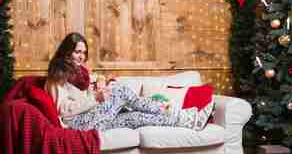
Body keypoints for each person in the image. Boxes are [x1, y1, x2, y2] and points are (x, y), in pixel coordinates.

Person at [45, 32, 214, 132]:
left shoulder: (81, 72)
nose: (81, 56)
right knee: (120, 91)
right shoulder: (57, 76)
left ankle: (191, 121)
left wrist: (102, 81)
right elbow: (64, 111)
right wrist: (95, 98)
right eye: (77, 52)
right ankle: (181, 112)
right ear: (67, 52)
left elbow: (97, 78)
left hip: (95, 116)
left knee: (136, 117)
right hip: (77, 124)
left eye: (84, 52)